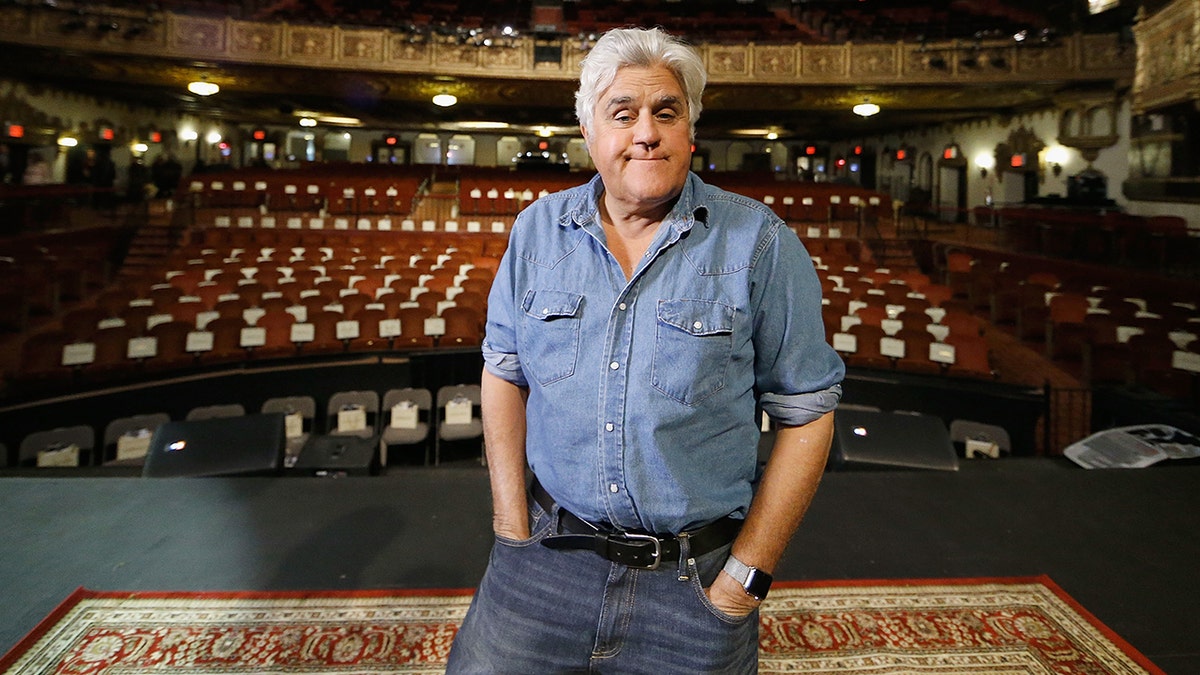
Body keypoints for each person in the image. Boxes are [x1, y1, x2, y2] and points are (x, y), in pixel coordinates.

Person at [446, 27, 844, 673]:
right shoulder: (538, 230)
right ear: (590, 134)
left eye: (667, 111)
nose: (646, 133)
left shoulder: (759, 241)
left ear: (691, 130)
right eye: (622, 113)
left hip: (696, 579)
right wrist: (510, 524)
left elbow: (808, 409)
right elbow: (504, 371)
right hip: (543, 560)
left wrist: (746, 577)